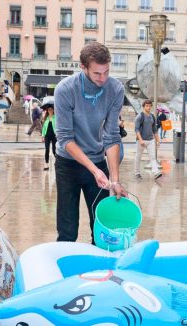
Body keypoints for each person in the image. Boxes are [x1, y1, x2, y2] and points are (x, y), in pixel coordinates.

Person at [54, 41, 127, 244]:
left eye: (106, 72)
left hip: (98, 161)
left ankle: (102, 274)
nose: (103, 78)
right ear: (83, 67)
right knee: (68, 230)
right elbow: (65, 138)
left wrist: (114, 179)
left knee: (102, 230)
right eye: (97, 73)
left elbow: (112, 136)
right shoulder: (65, 90)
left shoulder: (115, 89)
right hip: (67, 163)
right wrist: (94, 171)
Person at [134, 100, 162, 180]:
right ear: (143, 106)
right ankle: (137, 173)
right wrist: (140, 140)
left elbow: (154, 130)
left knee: (153, 157)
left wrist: (158, 140)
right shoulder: (140, 116)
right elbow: (136, 129)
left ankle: (156, 172)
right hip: (141, 141)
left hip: (150, 140)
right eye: (147, 105)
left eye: (150, 106)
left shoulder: (152, 116)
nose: (148, 107)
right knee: (138, 157)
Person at [40, 98, 56, 171]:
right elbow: (43, 128)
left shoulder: (56, 117)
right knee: (47, 150)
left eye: (51, 109)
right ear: (47, 111)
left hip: (54, 136)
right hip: (47, 136)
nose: (50, 111)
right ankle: (46, 164)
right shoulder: (45, 118)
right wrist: (42, 136)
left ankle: (57, 162)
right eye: (49, 110)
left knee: (54, 150)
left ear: (53, 110)